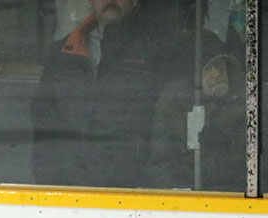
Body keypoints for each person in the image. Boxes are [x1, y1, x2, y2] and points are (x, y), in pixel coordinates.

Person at [30, 0, 168, 188]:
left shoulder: (159, 50)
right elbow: (43, 127)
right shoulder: (63, 51)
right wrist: (49, 186)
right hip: (66, 193)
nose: (110, 0)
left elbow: (167, 133)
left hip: (133, 196)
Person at [144, 30, 244, 191]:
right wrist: (185, 196)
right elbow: (162, 165)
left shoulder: (249, 100)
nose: (217, 73)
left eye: (220, 64)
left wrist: (227, 144)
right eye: (208, 67)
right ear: (190, 74)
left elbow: (260, 162)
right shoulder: (176, 102)